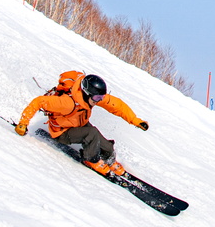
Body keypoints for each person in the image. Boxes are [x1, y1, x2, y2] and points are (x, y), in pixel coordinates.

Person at [15, 70, 150, 175]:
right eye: (97, 97)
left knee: (106, 145)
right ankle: (91, 159)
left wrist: (135, 121)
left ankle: (109, 160)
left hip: (78, 123)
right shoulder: (67, 103)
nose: (99, 100)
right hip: (62, 131)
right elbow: (39, 102)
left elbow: (117, 105)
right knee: (91, 133)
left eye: (101, 97)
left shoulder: (92, 97)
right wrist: (23, 123)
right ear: (86, 93)